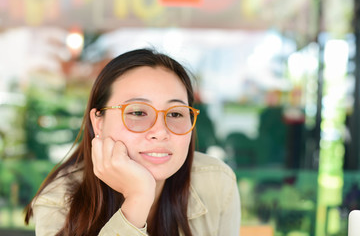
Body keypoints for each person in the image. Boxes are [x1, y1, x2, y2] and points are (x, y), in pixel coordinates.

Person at [24, 48, 241, 236]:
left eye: (175, 114)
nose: (160, 131)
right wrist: (138, 199)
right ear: (98, 122)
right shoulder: (59, 202)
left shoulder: (216, 183)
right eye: (138, 112)